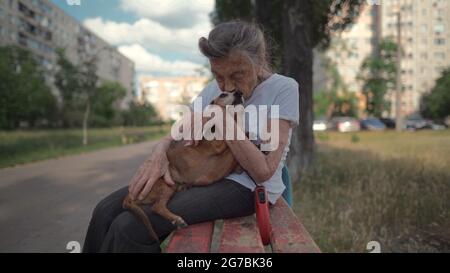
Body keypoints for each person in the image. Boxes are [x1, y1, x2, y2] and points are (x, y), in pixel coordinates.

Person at [82, 20, 299, 253]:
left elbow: (264, 170)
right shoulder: (212, 90)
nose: (225, 86)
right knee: (104, 211)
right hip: (200, 175)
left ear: (259, 60)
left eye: (237, 75)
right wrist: (159, 152)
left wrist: (221, 118)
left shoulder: (283, 88)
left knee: (129, 228)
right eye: (218, 76)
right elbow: (177, 133)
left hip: (246, 188)